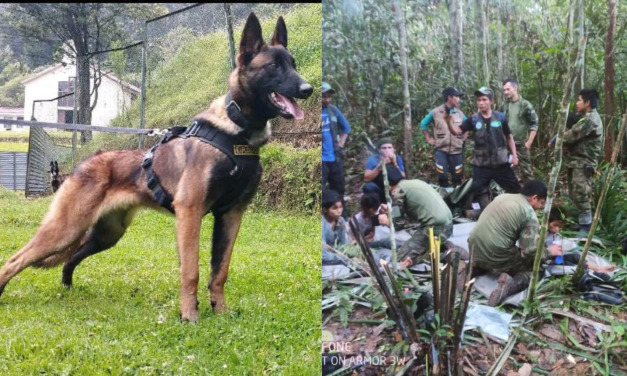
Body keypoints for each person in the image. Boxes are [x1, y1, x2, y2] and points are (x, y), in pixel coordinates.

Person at [467, 180, 563, 306]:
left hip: (473, 247)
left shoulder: (503, 197)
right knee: (535, 270)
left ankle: (473, 267)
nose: (539, 207)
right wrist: (549, 251)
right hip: (496, 254)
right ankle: (509, 285)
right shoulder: (529, 214)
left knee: (497, 250)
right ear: (534, 198)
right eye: (541, 203)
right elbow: (529, 252)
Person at [446, 86, 521, 210]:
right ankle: (488, 212)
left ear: (491, 101)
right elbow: (457, 131)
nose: (481, 103)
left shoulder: (500, 117)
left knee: (515, 189)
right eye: (479, 100)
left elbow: (509, 136)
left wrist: (514, 156)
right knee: (479, 189)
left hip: (501, 163)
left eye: (484, 100)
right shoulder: (473, 119)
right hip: (481, 164)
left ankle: (517, 212)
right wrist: (449, 122)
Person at [386, 173, 459, 270]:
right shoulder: (415, 182)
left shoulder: (398, 191)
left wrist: (386, 221)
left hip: (435, 229)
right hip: (448, 226)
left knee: (400, 259)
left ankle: (444, 255)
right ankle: (440, 246)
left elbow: (398, 224)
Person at [562, 88, 603, 235]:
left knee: (581, 193)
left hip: (584, 162)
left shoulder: (590, 120)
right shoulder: (584, 117)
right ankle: (582, 222)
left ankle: (587, 226)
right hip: (576, 160)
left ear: (588, 102)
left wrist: (559, 138)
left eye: (579, 100)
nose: (577, 103)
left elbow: (571, 135)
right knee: (574, 192)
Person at [420, 86, 468, 187]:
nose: (459, 99)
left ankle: (457, 198)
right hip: (441, 149)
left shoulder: (459, 113)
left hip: (456, 150)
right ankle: (443, 197)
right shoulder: (436, 112)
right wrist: (428, 139)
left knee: (457, 176)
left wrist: (464, 138)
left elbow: (467, 125)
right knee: (442, 175)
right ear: (449, 97)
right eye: (457, 97)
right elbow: (423, 124)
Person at [500, 78, 539, 184]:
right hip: (507, 145)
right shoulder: (504, 106)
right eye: (504, 90)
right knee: (510, 172)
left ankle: (531, 196)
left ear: (515, 88)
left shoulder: (525, 105)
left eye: (508, 89)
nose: (506, 92)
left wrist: (529, 142)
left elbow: (534, 123)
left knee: (526, 172)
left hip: (522, 144)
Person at [322, 82, 351, 216]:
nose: (327, 99)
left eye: (329, 97)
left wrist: (341, 144)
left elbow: (346, 128)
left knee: (339, 190)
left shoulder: (333, 110)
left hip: (335, 158)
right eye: (323, 96)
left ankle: (342, 217)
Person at [363, 138, 406, 202]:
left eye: (389, 147)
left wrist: (394, 163)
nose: (387, 150)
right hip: (380, 187)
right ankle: (376, 207)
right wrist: (380, 166)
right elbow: (366, 178)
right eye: (384, 148)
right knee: (369, 187)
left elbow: (403, 176)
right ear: (379, 150)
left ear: (393, 149)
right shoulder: (373, 159)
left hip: (394, 188)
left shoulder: (397, 158)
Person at [322, 189, 349, 265]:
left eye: (341, 207)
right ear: (325, 209)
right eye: (335, 208)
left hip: (337, 256)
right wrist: (341, 258)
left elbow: (345, 244)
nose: (339, 211)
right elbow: (322, 253)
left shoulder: (341, 221)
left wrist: (345, 254)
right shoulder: (321, 223)